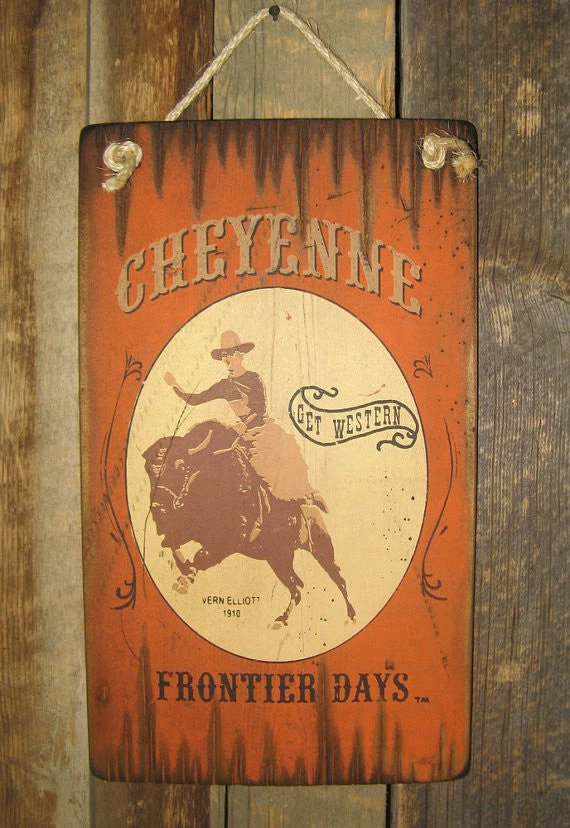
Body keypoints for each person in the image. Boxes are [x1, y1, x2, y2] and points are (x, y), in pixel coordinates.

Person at [164, 330, 326, 510]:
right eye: (224, 355)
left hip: (262, 432)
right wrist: (174, 385)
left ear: (240, 355)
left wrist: (244, 425)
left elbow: (260, 409)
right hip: (240, 434)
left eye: (231, 353)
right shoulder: (224, 386)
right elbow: (195, 399)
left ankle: (306, 498)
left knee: (270, 471)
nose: (227, 359)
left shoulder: (253, 379)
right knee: (213, 454)